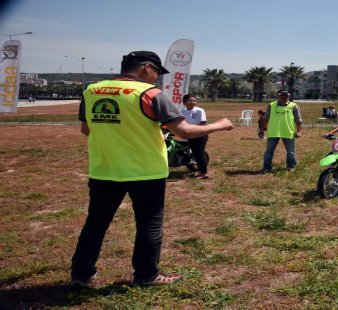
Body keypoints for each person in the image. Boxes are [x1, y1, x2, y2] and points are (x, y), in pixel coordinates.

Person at [72, 51, 234, 289]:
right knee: (148, 224)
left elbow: (87, 130)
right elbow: (185, 132)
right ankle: (146, 276)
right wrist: (220, 125)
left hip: (104, 170)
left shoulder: (92, 91)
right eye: (157, 72)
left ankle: (81, 275)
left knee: (95, 224)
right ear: (146, 68)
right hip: (145, 172)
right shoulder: (150, 94)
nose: (157, 78)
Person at [260, 90, 303, 173]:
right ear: (278, 96)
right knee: (269, 151)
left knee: (291, 151)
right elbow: (265, 118)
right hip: (273, 132)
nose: (283, 97)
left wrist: (299, 131)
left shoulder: (294, 106)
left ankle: (291, 166)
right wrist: (261, 129)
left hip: (288, 132)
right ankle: (267, 168)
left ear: (289, 96)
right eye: (281, 95)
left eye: (286, 95)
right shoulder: (271, 105)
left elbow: (299, 120)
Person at [181, 94, 210, 179]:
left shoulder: (199, 110)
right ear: (184, 102)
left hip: (200, 134)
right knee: (196, 154)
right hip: (190, 135)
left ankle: (204, 173)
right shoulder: (183, 111)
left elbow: (202, 122)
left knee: (200, 153)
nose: (192, 102)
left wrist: (193, 130)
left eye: (194, 101)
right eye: (190, 101)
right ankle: (200, 171)